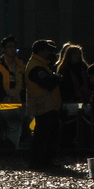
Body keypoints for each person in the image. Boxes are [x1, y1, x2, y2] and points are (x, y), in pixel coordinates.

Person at [25, 39, 62, 169]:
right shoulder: (36, 67)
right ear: (40, 51)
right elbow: (46, 83)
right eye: (47, 50)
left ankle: (42, 161)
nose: (49, 52)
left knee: (45, 133)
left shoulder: (37, 64)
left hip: (45, 105)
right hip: (44, 105)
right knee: (45, 134)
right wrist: (56, 78)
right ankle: (41, 161)